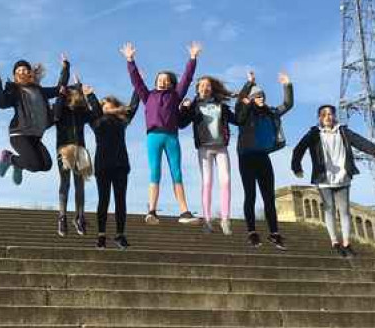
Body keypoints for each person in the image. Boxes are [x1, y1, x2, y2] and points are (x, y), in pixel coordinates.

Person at [123, 41, 200, 224]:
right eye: (160, 79)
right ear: (156, 81)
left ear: (171, 83)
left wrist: (193, 58)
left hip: (172, 136)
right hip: (154, 136)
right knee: (155, 172)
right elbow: (136, 81)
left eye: (166, 80)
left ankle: (184, 212)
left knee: (177, 172)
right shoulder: (147, 95)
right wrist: (130, 60)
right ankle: (151, 211)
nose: (163, 81)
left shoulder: (175, 96)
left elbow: (187, 79)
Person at [291, 104, 375, 256]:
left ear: (334, 116)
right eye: (324, 115)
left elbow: (359, 141)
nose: (328, 117)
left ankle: (347, 243)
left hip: (342, 177)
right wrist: (296, 167)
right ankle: (335, 242)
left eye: (330, 114)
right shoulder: (314, 133)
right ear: (320, 118)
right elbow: (299, 149)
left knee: (344, 211)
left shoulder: (343, 131)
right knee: (329, 209)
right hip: (324, 177)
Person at [235, 70, 293, 250]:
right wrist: (249, 83)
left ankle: (275, 234)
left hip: (263, 156)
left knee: (268, 197)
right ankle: (252, 232)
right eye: (257, 96)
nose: (260, 98)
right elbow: (240, 104)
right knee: (250, 195)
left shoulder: (271, 112)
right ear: (251, 98)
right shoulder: (245, 113)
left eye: (262, 96)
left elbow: (287, 104)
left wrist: (287, 85)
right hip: (246, 156)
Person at [0, 55, 70, 186]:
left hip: (35, 136)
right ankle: (9, 158)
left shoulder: (39, 90)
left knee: (46, 165)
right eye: (18, 71)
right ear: (15, 76)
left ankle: (19, 164)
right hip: (19, 134)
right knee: (34, 164)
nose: (22, 72)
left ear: (29, 73)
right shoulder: (14, 89)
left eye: (24, 70)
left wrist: (65, 68)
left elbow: (60, 89)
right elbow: (2, 103)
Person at [179, 76, 238, 235]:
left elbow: (238, 120)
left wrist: (241, 102)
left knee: (225, 181)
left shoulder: (221, 106)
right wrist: (184, 108)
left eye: (208, 85)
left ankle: (225, 219)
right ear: (198, 88)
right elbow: (181, 124)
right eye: (202, 85)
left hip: (221, 148)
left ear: (212, 89)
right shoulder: (194, 105)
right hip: (204, 148)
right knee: (207, 183)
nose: (205, 87)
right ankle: (207, 220)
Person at [88, 89, 140, 250]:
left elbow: (132, 107)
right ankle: (101, 236)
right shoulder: (96, 121)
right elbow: (96, 109)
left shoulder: (121, 121)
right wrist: (90, 95)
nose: (106, 108)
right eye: (104, 106)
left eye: (109, 106)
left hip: (120, 164)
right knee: (103, 200)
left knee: (120, 200)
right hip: (102, 165)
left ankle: (120, 235)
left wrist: (138, 88)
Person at [53, 81, 95, 237]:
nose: (73, 95)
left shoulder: (81, 112)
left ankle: (80, 216)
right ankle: (62, 216)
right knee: (65, 183)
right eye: (69, 93)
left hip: (81, 151)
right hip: (64, 149)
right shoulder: (59, 110)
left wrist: (88, 94)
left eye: (75, 92)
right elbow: (55, 113)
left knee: (80, 184)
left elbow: (95, 115)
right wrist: (61, 93)